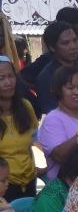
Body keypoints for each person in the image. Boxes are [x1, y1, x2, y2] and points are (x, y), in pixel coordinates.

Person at [38, 65, 78, 180]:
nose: (77, 92)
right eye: (70, 87)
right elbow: (60, 156)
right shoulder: (52, 119)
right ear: (59, 90)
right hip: (65, 186)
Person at [0, 56, 38, 200]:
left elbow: (34, 140)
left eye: (10, 76)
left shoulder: (26, 106)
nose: (8, 82)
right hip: (4, 186)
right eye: (1, 78)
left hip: (29, 180)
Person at [34, 20, 78, 113]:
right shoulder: (46, 77)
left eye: (75, 40)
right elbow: (51, 112)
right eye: (66, 43)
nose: (73, 46)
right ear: (52, 47)